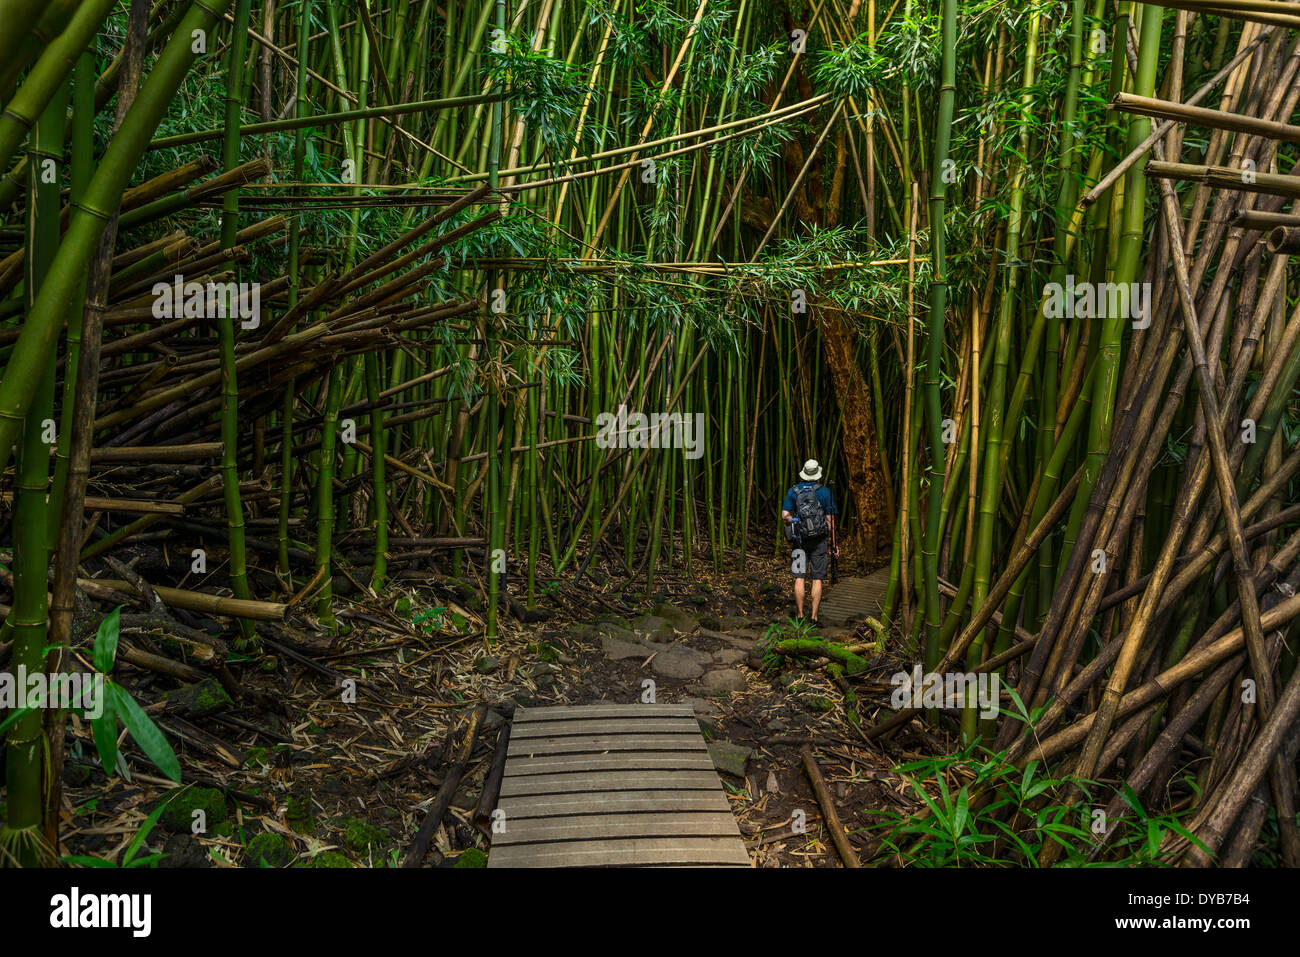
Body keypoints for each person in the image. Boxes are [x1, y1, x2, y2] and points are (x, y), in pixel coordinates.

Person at [781, 459, 839, 626]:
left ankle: (800, 615)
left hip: (799, 541)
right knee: (817, 578)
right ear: (817, 475)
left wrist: (795, 520)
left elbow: (785, 515)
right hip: (820, 541)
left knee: (799, 577)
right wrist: (834, 545)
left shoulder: (793, 491)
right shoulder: (825, 492)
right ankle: (813, 617)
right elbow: (830, 521)